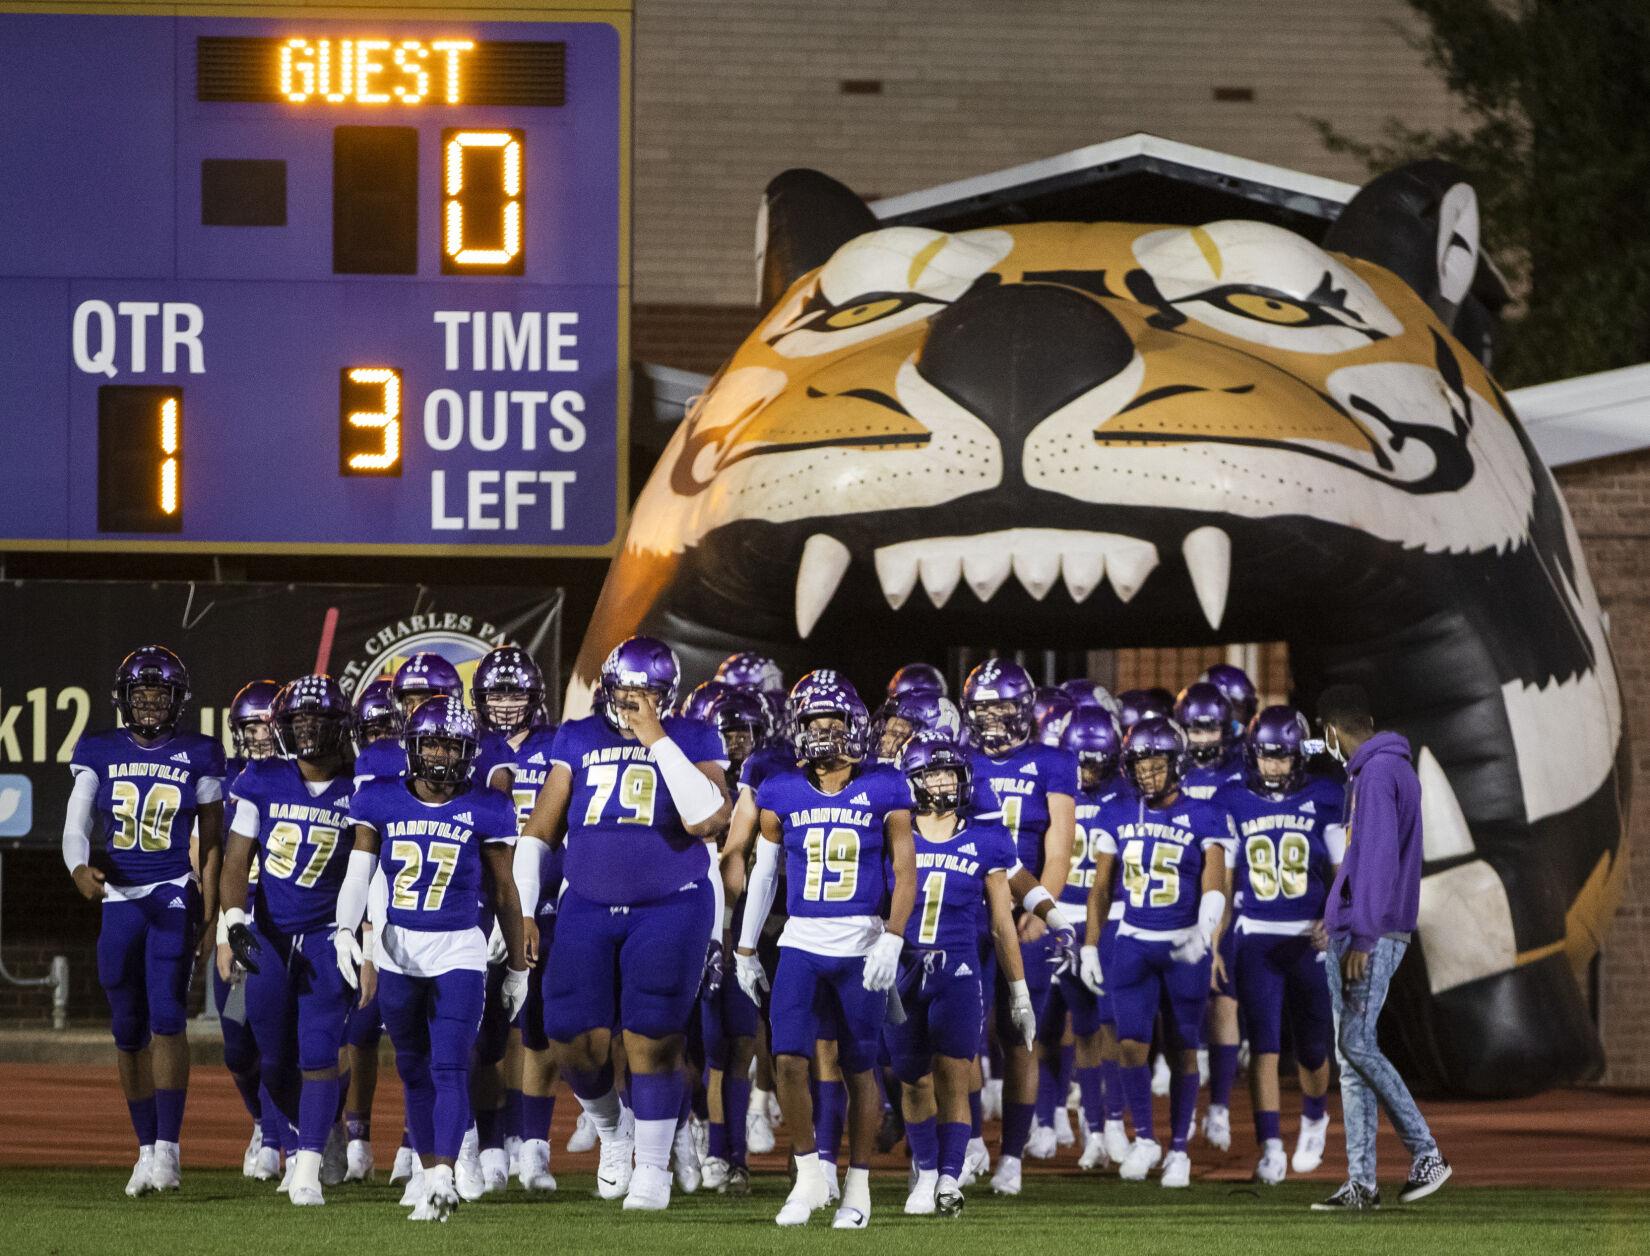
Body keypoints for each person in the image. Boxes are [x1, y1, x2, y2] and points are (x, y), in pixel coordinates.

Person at [520, 636, 731, 1212]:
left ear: (668, 695)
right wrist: (523, 909)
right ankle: (615, 1133)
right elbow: (540, 831)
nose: (634, 701)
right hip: (586, 900)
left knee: (654, 1037)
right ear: (607, 689)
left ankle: (653, 1172)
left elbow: (709, 818)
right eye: (625, 690)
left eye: (647, 692)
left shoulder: (691, 734)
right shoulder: (580, 735)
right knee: (569, 1037)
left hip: (670, 902)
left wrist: (656, 739)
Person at [334, 696, 528, 1221]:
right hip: (398, 950)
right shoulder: (380, 798)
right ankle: (427, 1170)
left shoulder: (487, 806)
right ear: (414, 748)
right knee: (414, 1067)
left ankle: (443, 1177)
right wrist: (346, 932)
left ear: (469, 753)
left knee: (448, 1064)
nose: (441, 755)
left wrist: (516, 967)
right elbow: (358, 872)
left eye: (452, 745)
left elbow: (506, 892)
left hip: (458, 947)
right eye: (434, 743)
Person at [734, 679, 915, 1228]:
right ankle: (811, 1173)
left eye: (833, 722)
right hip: (802, 940)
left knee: (860, 1067)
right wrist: (745, 946)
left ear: (855, 726)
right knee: (788, 1057)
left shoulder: (885, 787)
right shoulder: (780, 789)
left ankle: (858, 1186)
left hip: (861, 941)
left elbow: (906, 873)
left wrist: (893, 936)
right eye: (813, 723)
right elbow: (765, 872)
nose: (823, 733)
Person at [65, 646, 226, 1197]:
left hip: (169, 892)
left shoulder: (200, 752)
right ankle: (144, 1148)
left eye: (161, 695)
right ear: (125, 699)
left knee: (166, 1017)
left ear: (178, 700)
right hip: (118, 896)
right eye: (143, 695)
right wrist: (77, 867)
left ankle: (170, 1151)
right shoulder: (99, 749)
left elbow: (210, 840)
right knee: (126, 1028)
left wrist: (210, 910)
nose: (152, 705)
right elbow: (76, 820)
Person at [217, 675, 356, 1206]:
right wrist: (233, 920)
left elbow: (372, 870)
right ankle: (308, 1133)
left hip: (327, 936)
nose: (309, 731)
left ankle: (307, 1163)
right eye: (299, 721)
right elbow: (236, 859)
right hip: (270, 935)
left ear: (339, 728)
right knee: (273, 1057)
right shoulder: (262, 778)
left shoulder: (362, 787)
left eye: (318, 721)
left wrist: (360, 930)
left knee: (319, 1050)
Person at [1311, 684, 1450, 1211]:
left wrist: (1362, 934)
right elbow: (1362, 859)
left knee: (1357, 1045)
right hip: (1358, 926)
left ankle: (1427, 1152)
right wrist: (1336, 917)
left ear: (1331, 731)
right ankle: (1362, 1183)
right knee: (1351, 1056)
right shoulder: (1382, 770)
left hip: (1372, 932)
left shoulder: (1376, 774)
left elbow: (1376, 864)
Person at [887, 732, 1035, 1218]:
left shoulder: (987, 837)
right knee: (912, 1081)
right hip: (902, 972)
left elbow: (1000, 924)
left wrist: (1018, 992)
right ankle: (925, 1171)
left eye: (950, 772)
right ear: (914, 779)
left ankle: (949, 1178)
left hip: (958, 970)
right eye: (933, 772)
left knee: (954, 1075)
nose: (944, 781)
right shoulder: (894, 833)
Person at [1078, 717, 1231, 1188]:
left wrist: (1203, 932)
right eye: (1139, 766)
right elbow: (1101, 889)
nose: (1146, 775)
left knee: (1185, 1046)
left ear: (1177, 764)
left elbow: (1215, 881)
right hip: (1134, 941)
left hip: (1184, 943)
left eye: (1155, 765)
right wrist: (1089, 944)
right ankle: (1145, 1137)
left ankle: (1180, 1148)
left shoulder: (1204, 814)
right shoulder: (1117, 813)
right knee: (1129, 1044)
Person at [959, 658, 1076, 1196]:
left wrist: (1037, 908)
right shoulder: (955, 758)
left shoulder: (1051, 762)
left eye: (1005, 706)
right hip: (967, 906)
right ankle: (968, 1141)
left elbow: (1059, 843)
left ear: (1026, 710)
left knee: (1020, 1034)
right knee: (962, 1031)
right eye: (984, 708)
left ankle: (1012, 1156)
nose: (995, 718)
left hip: (1021, 907)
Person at [1218, 706, 1344, 1185]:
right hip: (1257, 935)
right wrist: (1216, 940)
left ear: (1300, 758)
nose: (1273, 767)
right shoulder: (1234, 799)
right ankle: (1269, 1145)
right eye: (1266, 758)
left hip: (1308, 934)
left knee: (1313, 1046)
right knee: (1264, 1043)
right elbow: (1226, 881)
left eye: (1282, 758)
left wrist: (1334, 918)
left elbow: (1341, 871)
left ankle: (1315, 1116)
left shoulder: (1326, 797)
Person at [1054, 707, 1131, 1170]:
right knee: (1081, 1027)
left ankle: (1117, 1122)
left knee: (1112, 1027)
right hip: (1064, 914)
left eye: (1095, 762)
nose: (1086, 771)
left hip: (1109, 917)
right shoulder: (1056, 791)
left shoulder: (1124, 795)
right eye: (1080, 761)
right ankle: (1094, 1131)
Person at [220, 680, 281, 1180]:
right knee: (238, 1041)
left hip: (288, 926)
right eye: (249, 726)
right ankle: (263, 1122)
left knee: (284, 1037)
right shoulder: (229, 782)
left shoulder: (300, 778)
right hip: (244, 924)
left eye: (266, 723)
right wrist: (225, 928)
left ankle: (288, 1137)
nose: (258, 735)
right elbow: (213, 857)